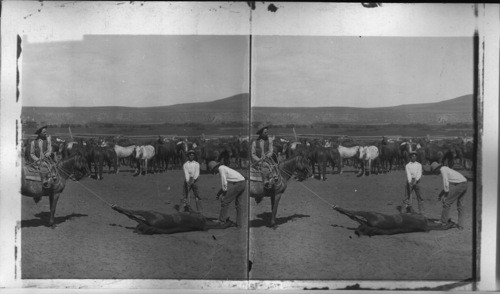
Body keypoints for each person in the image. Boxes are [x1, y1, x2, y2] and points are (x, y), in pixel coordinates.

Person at [430, 162, 468, 230]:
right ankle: (460, 225)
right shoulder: (446, 169)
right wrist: (441, 194)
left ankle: (443, 221)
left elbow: (446, 183)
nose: (436, 173)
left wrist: (445, 195)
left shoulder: (443, 170)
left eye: (435, 171)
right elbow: (447, 184)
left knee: (447, 202)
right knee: (460, 205)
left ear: (436, 169)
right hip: (465, 183)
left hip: (460, 185)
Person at [208, 160, 246, 227]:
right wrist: (219, 193)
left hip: (238, 184)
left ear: (215, 168)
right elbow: (225, 184)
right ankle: (239, 224)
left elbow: (224, 183)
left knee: (225, 201)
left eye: (213, 171)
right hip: (243, 183)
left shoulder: (221, 169)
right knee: (238, 204)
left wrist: (224, 194)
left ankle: (221, 220)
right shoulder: (223, 168)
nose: (214, 173)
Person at [29, 125, 56, 190]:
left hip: (47, 160)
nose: (46, 133)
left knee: (53, 166)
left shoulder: (47, 140)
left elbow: (49, 149)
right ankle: (44, 181)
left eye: (46, 132)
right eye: (44, 132)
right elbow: (32, 154)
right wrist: (38, 160)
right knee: (44, 166)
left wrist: (48, 153)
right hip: (37, 161)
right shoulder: (33, 143)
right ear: (40, 133)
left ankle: (53, 179)